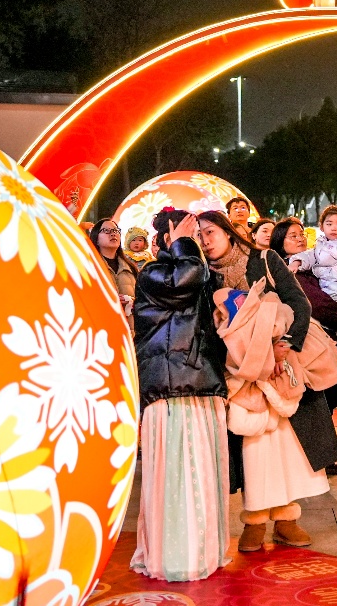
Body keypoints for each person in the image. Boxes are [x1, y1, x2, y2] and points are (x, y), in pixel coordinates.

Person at [197, 210, 333, 552]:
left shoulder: (264, 259)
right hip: (241, 376)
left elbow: (298, 302)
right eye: (199, 235)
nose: (205, 240)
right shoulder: (203, 276)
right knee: (253, 445)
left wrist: (284, 346)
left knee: (289, 444)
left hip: (282, 366)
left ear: (229, 232)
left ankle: (287, 519)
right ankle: (255, 520)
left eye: (210, 232)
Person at [130, 209, 230, 581]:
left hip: (195, 382)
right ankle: (178, 554)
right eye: (191, 231)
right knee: (178, 476)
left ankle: (202, 547)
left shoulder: (196, 273)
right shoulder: (155, 274)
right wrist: (183, 243)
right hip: (173, 388)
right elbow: (183, 278)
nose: (199, 239)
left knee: (199, 473)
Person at [271, 217, 337, 477]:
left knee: (321, 397)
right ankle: (313, 457)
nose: (300, 238)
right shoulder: (285, 270)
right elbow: (315, 303)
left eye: (301, 233)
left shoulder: (312, 266)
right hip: (302, 341)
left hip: (323, 339)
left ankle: (320, 456)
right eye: (292, 235)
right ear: (280, 241)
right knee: (310, 398)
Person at [289, 205, 337, 318]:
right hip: (327, 290)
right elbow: (310, 255)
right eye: (329, 224)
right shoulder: (321, 244)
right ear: (321, 227)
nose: (334, 228)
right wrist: (297, 262)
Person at [89, 218, 138, 322]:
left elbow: (143, 300)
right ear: (96, 238)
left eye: (115, 230)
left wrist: (132, 302)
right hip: (102, 329)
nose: (112, 234)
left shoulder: (131, 268)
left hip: (130, 332)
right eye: (106, 231)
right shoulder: (90, 267)